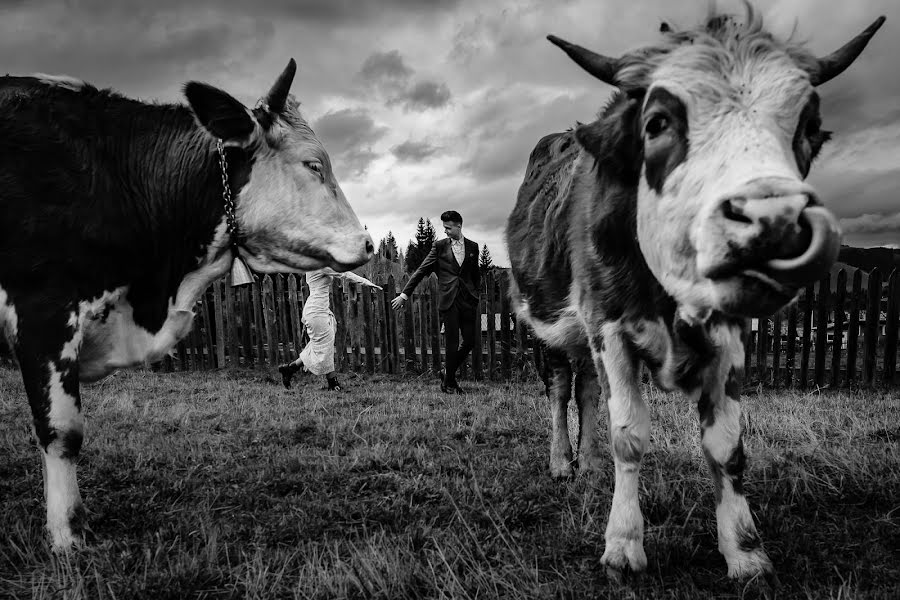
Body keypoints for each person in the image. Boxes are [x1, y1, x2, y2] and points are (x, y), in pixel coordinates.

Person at [392, 210, 480, 394]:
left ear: (459, 226)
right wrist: (404, 295)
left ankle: (447, 373)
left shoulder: (473, 247)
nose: (445, 231)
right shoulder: (439, 247)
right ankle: (449, 383)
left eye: (448, 228)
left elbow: (475, 275)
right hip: (449, 301)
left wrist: (475, 295)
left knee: (470, 340)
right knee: (452, 342)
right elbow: (421, 270)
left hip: (468, 301)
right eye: (444, 228)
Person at [279, 267, 381, 391]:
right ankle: (333, 383)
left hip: (319, 310)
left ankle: (290, 369)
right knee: (324, 346)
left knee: (319, 345)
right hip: (316, 311)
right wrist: (367, 282)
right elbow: (344, 273)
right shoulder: (320, 265)